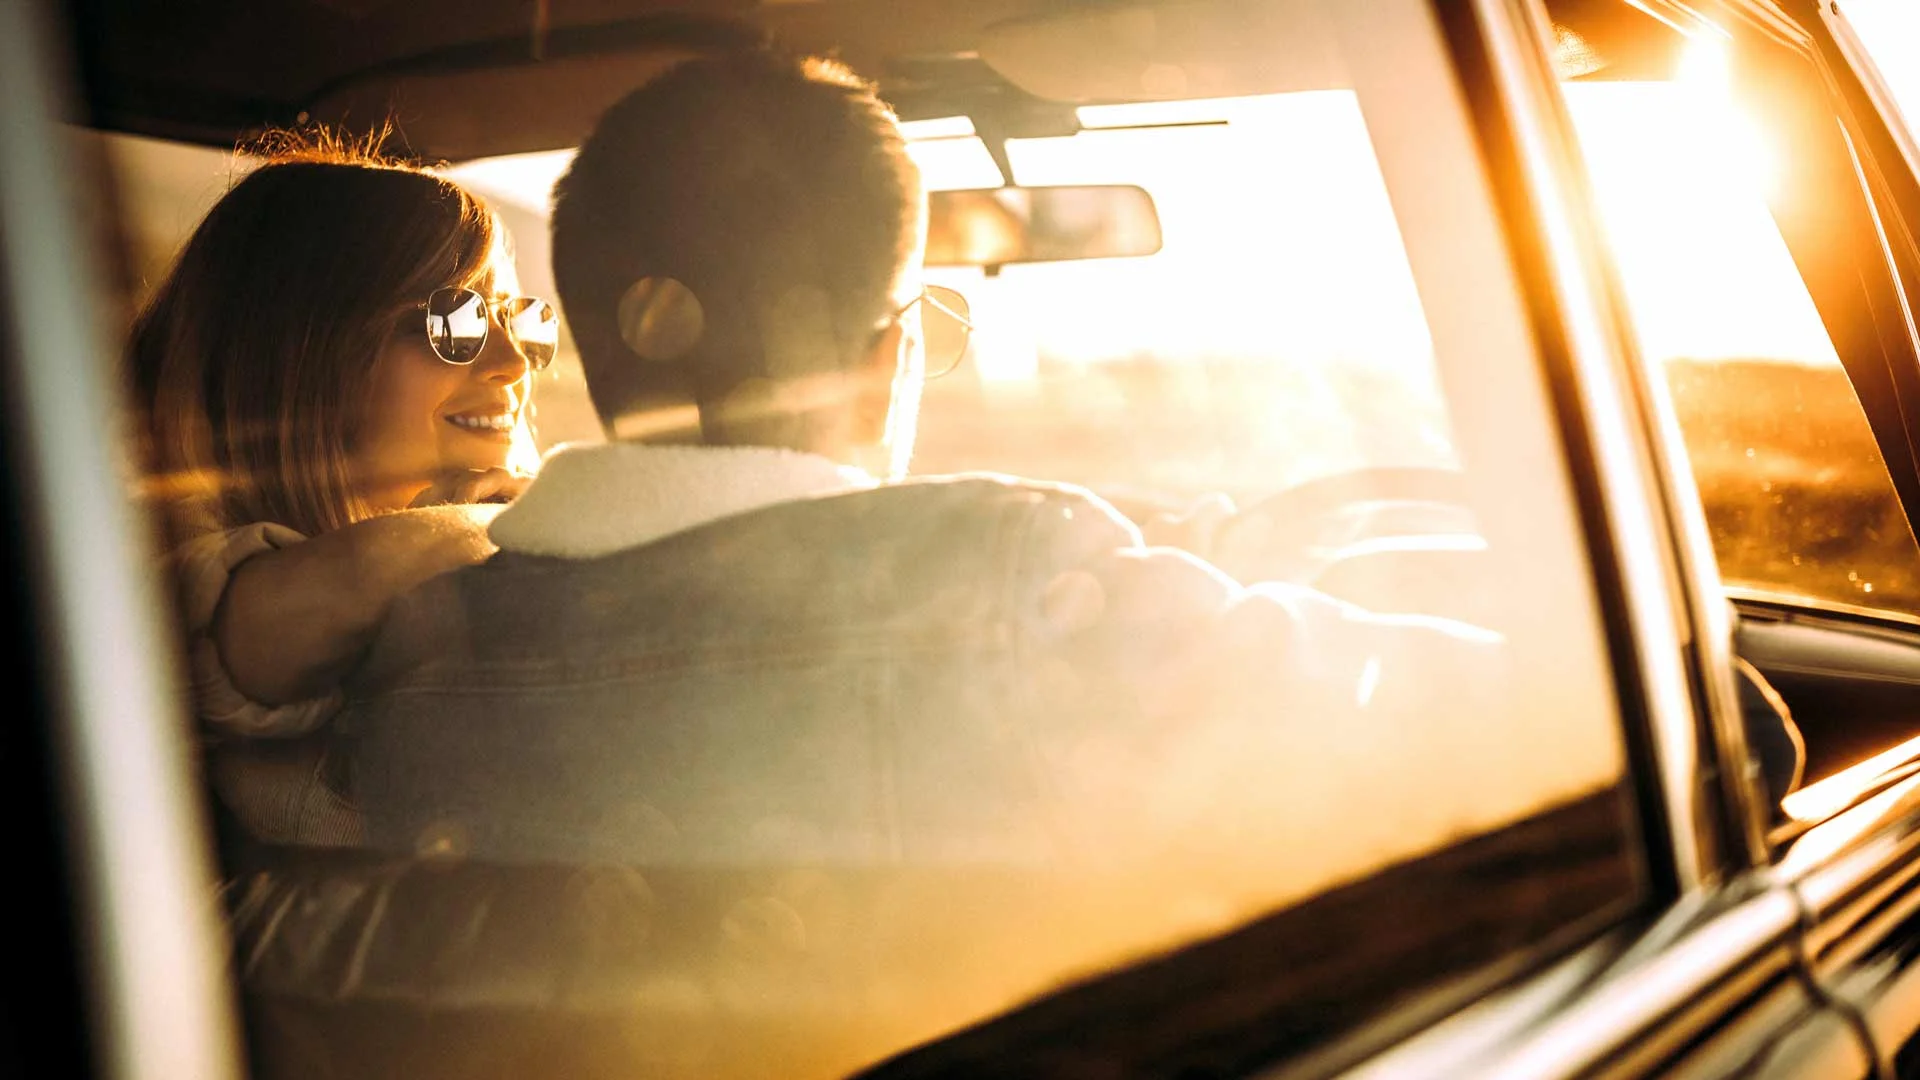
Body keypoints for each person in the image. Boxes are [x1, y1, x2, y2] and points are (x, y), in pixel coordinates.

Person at [341, 49, 1503, 874]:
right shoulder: (1017, 588)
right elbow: (1482, 728)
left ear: (602, 337)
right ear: (890, 354)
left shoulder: (404, 675)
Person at [129, 133, 560, 846]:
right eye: (455, 321)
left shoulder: (449, 547)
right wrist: (506, 524)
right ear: (306, 347)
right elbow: (245, 624)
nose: (514, 363)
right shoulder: (140, 583)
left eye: (520, 322)